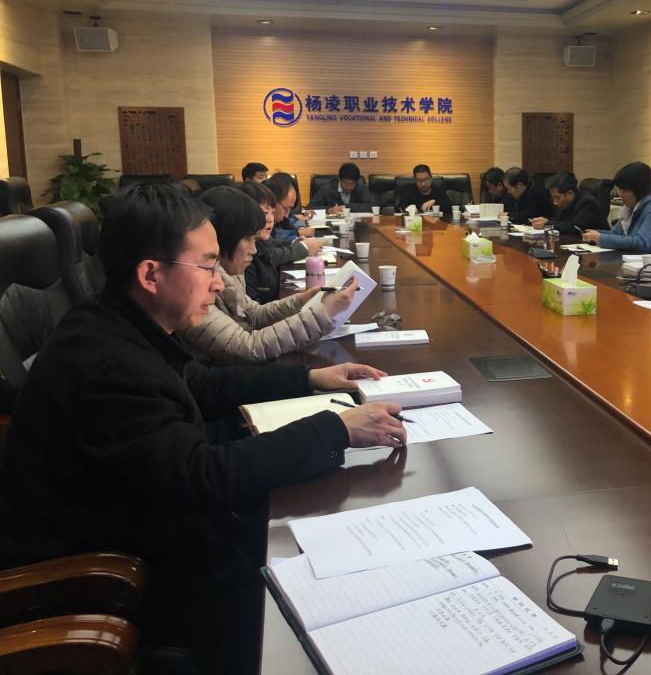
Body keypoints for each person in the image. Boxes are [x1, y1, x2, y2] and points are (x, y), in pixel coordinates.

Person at [0, 183, 405, 674]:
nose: (218, 284)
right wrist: (337, 430)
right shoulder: (109, 363)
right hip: (102, 571)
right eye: (208, 266)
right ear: (151, 274)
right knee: (290, 589)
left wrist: (308, 378)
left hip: (139, 519)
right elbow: (203, 476)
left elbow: (203, 383)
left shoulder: (120, 322)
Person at [180, 187, 355, 364]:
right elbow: (246, 347)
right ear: (224, 237)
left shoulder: (230, 272)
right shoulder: (195, 289)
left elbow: (254, 314)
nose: (254, 250)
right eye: (248, 239)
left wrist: (301, 300)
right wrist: (324, 314)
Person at [237, 181, 317, 303]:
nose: (271, 219)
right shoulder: (245, 255)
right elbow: (253, 312)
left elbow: (273, 243)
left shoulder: (260, 241)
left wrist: (297, 299)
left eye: (272, 213)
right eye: (265, 213)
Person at [581, 161, 651, 260]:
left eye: (625, 191)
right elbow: (616, 234)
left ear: (640, 191)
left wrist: (600, 238)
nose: (620, 195)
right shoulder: (631, 207)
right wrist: (595, 234)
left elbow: (641, 243)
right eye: (619, 189)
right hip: (634, 261)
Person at [530, 173, 608, 237]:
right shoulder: (564, 203)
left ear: (570, 193)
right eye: (553, 197)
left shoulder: (588, 203)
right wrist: (545, 221)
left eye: (557, 198)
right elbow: (560, 221)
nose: (554, 202)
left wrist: (547, 224)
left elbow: (575, 228)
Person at [266, 172, 315, 241]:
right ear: (273, 201)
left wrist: (301, 228)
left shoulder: (280, 214)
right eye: (286, 209)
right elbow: (274, 237)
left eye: (290, 209)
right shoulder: (262, 220)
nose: (286, 215)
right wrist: (298, 233)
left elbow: (292, 220)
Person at [309, 162, 374, 212]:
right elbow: (310, 207)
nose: (348, 187)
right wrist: (329, 209)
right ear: (340, 179)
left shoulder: (361, 188)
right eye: (345, 183)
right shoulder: (326, 189)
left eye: (352, 184)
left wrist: (347, 207)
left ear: (356, 182)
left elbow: (372, 206)